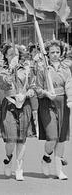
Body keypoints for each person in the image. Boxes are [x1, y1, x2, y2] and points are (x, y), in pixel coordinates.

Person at [35, 40, 72, 180]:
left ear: (61, 53)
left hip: (62, 102)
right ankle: (45, 157)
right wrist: (45, 93)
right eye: (52, 52)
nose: (55, 55)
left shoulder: (65, 68)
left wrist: (70, 99)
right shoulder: (42, 68)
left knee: (61, 139)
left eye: (57, 52)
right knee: (52, 137)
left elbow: (69, 85)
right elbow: (37, 88)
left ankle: (59, 170)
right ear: (47, 54)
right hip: (47, 103)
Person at [0, 44, 36, 181]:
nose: (13, 57)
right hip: (9, 104)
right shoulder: (2, 69)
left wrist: (26, 95)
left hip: (24, 104)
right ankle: (8, 159)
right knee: (10, 138)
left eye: (16, 54)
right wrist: (12, 68)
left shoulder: (27, 69)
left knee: (21, 139)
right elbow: (5, 83)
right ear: (6, 56)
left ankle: (19, 168)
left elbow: (33, 87)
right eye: (10, 54)